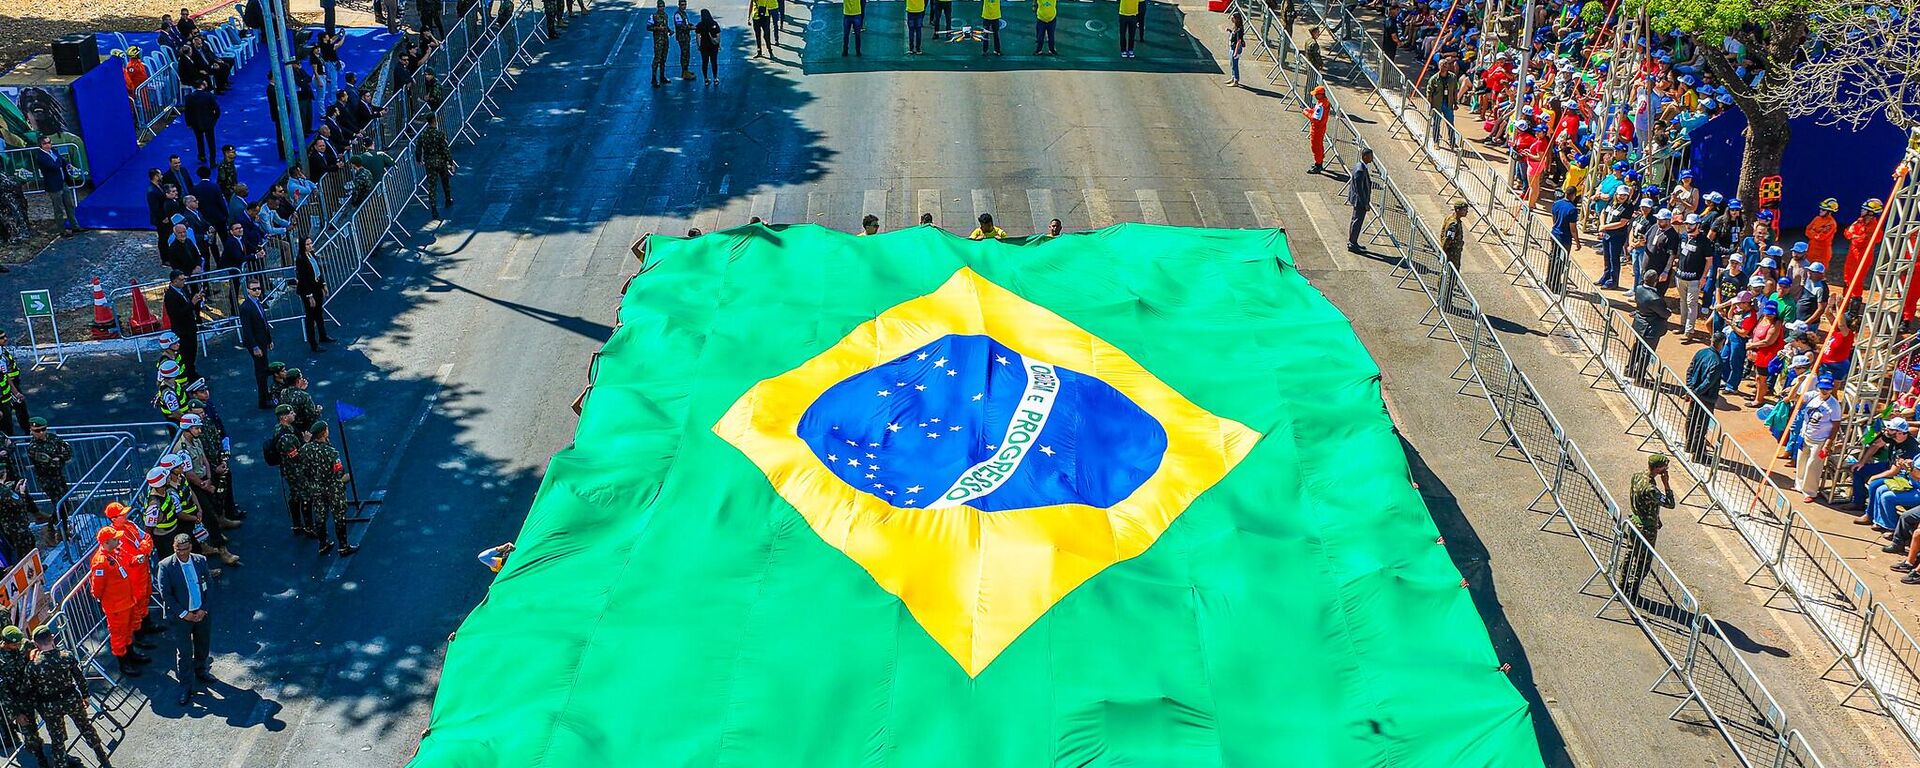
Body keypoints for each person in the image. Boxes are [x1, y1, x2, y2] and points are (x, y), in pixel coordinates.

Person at [26, 625, 113, 767]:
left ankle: (61, 765)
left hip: (50, 705)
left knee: (57, 739)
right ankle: (103, 759)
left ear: (36, 644)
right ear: (52, 638)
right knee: (86, 728)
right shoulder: (66, 656)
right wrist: (85, 696)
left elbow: (29, 688)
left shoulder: (33, 666)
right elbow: (79, 678)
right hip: (71, 699)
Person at [156, 534, 215, 705]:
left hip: (201, 612)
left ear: (191, 547)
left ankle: (201, 670)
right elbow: (165, 594)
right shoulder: (166, 566)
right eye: (178, 549)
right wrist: (184, 613)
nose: (182, 553)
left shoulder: (200, 560)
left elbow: (209, 586)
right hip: (181, 617)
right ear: (174, 547)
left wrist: (204, 609)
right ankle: (186, 686)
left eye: (186, 549)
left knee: (203, 643)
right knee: (184, 652)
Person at [89, 527, 151, 679]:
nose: (118, 540)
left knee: (128, 629)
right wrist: (105, 600)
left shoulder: (116, 552)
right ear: (106, 542)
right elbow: (96, 588)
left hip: (127, 601)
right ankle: (124, 663)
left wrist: (137, 559)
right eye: (115, 539)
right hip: (116, 606)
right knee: (118, 635)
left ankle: (131, 655)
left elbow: (129, 561)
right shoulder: (101, 562)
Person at [296, 421, 357, 556]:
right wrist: (345, 478)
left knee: (320, 516)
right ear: (324, 433)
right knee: (339, 516)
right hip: (333, 489)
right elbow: (339, 473)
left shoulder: (305, 449)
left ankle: (323, 544)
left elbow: (303, 469)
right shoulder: (331, 452)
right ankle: (343, 546)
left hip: (316, 489)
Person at [1623, 454, 1673, 600]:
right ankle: (1632, 594)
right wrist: (1666, 484)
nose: (1666, 470)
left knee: (1630, 554)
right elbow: (1670, 503)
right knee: (1643, 562)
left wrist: (1656, 516)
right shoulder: (1651, 488)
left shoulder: (1637, 476)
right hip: (1645, 528)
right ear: (1658, 469)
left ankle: (1621, 584)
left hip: (1635, 520)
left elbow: (1645, 502)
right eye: (1664, 467)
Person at [1795, 375, 1844, 501]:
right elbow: (1795, 398)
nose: (1824, 391)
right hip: (1805, 435)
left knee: (1813, 466)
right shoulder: (1812, 396)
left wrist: (1828, 444)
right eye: (1822, 388)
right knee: (1801, 461)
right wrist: (1798, 383)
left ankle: (1810, 492)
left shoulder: (1834, 405)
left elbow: (1835, 425)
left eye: (1826, 389)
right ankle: (1799, 485)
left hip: (1820, 440)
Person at [1684, 332, 1724, 463]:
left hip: (1696, 393)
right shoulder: (1717, 362)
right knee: (1701, 425)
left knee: (1691, 419)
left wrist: (1690, 388)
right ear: (1722, 343)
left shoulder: (1701, 352)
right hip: (1705, 398)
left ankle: (1689, 446)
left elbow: (1689, 370)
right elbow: (1708, 382)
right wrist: (1695, 392)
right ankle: (1698, 454)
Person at [237, 280, 274, 409]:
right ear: (247, 290)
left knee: (264, 368)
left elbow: (264, 323)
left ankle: (266, 395)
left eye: (258, 288)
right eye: (254, 289)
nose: (257, 291)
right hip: (256, 344)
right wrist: (255, 347)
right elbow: (247, 329)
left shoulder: (258, 303)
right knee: (261, 371)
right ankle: (263, 401)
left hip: (263, 340)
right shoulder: (246, 307)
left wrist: (269, 340)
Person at [26, 418, 69, 528]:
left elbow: (68, 451)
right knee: (60, 506)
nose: (41, 433)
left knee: (66, 505)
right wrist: (59, 458)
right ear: (31, 430)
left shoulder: (53, 438)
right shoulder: (33, 447)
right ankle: (54, 529)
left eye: (43, 429)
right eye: (37, 431)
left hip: (59, 476)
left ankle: (58, 527)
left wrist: (58, 458)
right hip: (47, 480)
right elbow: (51, 464)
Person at [162, 270, 205, 380]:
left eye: (184, 279)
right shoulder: (170, 296)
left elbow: (188, 303)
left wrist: (196, 300)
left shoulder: (183, 289)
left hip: (190, 327)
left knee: (193, 352)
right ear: (174, 281)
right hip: (182, 330)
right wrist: (192, 303)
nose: (184, 282)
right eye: (181, 280)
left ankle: (192, 373)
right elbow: (177, 314)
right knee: (186, 354)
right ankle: (188, 376)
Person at [31, 137, 77, 237]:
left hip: (63, 182)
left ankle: (75, 226)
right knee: (58, 208)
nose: (48, 145)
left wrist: (61, 161)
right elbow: (55, 166)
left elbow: (62, 162)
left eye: (49, 142)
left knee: (70, 205)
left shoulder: (54, 152)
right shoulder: (41, 156)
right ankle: (62, 230)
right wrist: (60, 161)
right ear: (41, 145)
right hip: (53, 186)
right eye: (45, 143)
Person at [1628, 275, 1668, 387]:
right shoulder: (1655, 298)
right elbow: (1665, 313)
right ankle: (1639, 379)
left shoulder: (1639, 289)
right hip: (1650, 329)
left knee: (1637, 348)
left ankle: (1629, 370)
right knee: (1645, 354)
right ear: (1655, 282)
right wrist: (1668, 311)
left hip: (1639, 324)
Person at [295, 237, 334, 350]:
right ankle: (313, 344)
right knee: (310, 317)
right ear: (303, 246)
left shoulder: (312, 254)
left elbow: (317, 270)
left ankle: (323, 336)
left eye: (310, 243)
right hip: (308, 290)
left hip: (317, 286)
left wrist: (323, 284)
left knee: (319, 313)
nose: (310, 246)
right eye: (307, 244)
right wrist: (309, 296)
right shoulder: (300, 259)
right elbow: (303, 279)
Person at [417, 115, 456, 218]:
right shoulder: (439, 134)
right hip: (440, 161)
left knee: (432, 186)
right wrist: (450, 162)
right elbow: (445, 149)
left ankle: (434, 208)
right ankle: (448, 199)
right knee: (445, 181)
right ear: (435, 121)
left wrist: (418, 159)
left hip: (429, 163)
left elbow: (418, 148)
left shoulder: (423, 135)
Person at [1342, 148, 1373, 254]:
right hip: (1359, 201)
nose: (1372, 159)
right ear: (1365, 157)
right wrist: (1365, 203)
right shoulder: (1360, 170)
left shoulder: (1360, 166)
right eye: (1370, 157)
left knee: (1355, 221)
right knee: (1357, 222)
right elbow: (1360, 189)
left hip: (1359, 200)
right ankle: (1352, 243)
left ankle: (1353, 242)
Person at [1805, 198, 1839, 270]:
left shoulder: (1831, 224)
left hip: (1822, 253)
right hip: (1811, 249)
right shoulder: (1817, 218)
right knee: (1808, 269)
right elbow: (1807, 231)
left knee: (1819, 272)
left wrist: (1813, 232)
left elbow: (1821, 237)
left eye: (1823, 210)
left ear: (1829, 212)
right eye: (1820, 209)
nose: (1820, 211)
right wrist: (1816, 233)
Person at [1304, 87, 1331, 174]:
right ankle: (1319, 163)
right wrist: (1310, 110)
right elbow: (1316, 113)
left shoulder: (1321, 105)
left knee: (1316, 147)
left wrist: (1306, 112)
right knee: (1319, 146)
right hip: (1321, 127)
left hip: (1317, 128)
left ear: (1320, 95)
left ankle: (1318, 165)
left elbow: (1315, 118)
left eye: (1316, 94)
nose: (1314, 96)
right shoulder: (1324, 102)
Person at [648, 4, 672, 87]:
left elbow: (665, 26)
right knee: (657, 59)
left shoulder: (665, 15)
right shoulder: (654, 16)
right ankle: (654, 78)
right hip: (658, 41)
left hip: (665, 40)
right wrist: (658, 28)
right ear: (657, 7)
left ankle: (662, 76)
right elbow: (648, 27)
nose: (661, 8)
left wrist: (669, 30)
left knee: (663, 59)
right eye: (660, 6)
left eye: (663, 6)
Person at [697, 10, 722, 81]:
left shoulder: (700, 25)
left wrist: (699, 46)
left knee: (705, 62)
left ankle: (706, 78)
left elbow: (698, 36)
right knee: (714, 62)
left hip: (704, 46)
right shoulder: (714, 23)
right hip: (713, 46)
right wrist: (718, 44)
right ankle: (715, 77)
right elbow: (718, 35)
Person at [1224, 11, 1244, 86]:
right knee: (1232, 64)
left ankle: (1236, 80)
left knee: (1235, 65)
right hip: (1232, 47)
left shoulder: (1239, 29)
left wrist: (1236, 52)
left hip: (1236, 48)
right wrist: (1230, 31)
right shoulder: (1236, 27)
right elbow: (1234, 35)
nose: (1232, 19)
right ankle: (1233, 77)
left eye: (1233, 18)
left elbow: (1239, 41)